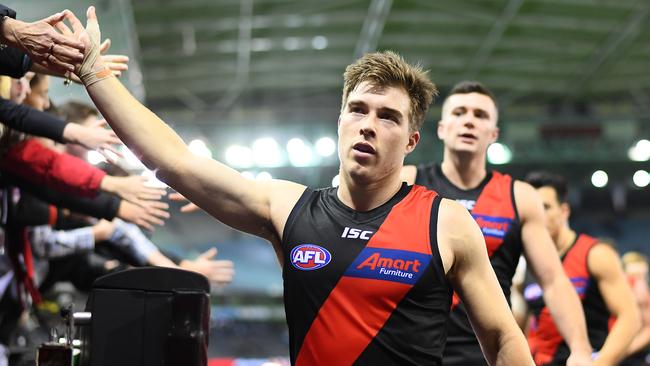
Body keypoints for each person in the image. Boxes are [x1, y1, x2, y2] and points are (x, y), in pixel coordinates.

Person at [64, 8, 534, 365]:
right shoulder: (288, 206)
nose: (368, 125)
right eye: (358, 109)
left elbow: (503, 337)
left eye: (388, 116)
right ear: (340, 120)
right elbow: (176, 162)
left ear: (412, 140)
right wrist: (94, 73)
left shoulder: (446, 221)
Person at [400, 81, 593, 365]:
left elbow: (553, 281)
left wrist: (581, 350)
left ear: (494, 133)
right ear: (441, 128)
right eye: (459, 113)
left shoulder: (520, 197)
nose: (468, 121)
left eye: (480, 115)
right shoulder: (407, 182)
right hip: (413, 351)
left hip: (489, 354)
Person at [519, 171, 640, 365]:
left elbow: (630, 318)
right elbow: (528, 321)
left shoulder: (595, 254)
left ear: (564, 211)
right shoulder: (529, 261)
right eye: (533, 208)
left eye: (546, 207)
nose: (538, 215)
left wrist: (600, 363)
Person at [620, 251, 650, 365]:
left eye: (642, 277)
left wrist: (621, 351)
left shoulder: (645, 297)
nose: (639, 282)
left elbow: (648, 330)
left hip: (636, 356)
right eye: (634, 277)